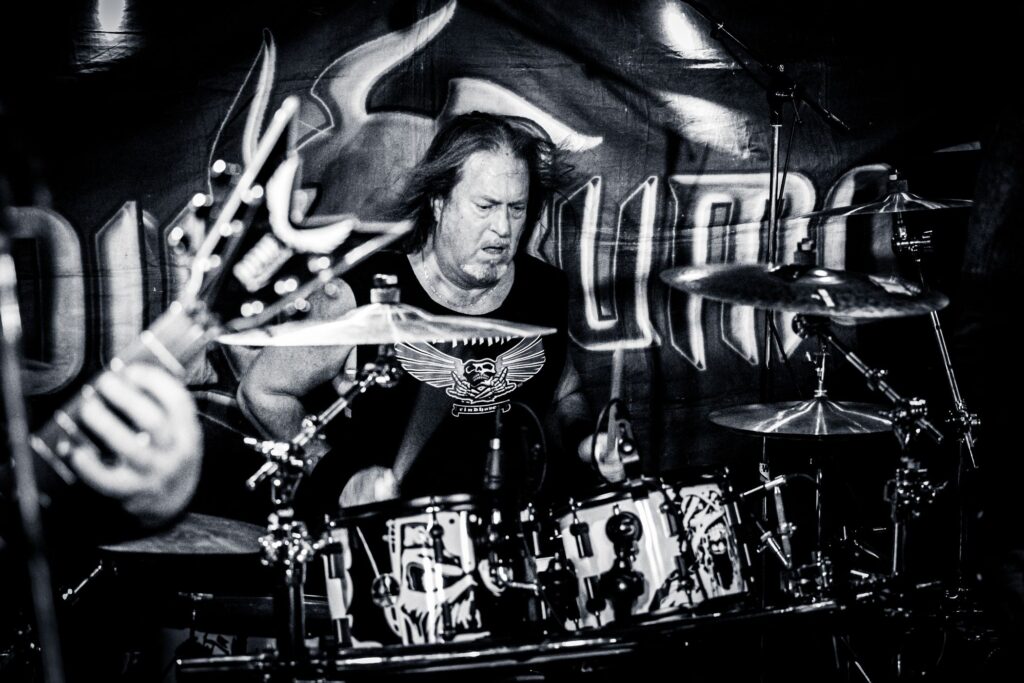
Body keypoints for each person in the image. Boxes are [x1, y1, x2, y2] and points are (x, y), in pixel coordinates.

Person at [238, 111, 622, 519]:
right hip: (395, 543)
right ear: (439, 202)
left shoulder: (543, 289)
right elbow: (262, 392)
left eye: (516, 208)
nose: (503, 228)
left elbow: (563, 393)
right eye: (485, 206)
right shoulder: (366, 293)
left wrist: (587, 442)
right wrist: (339, 477)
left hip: (513, 536)